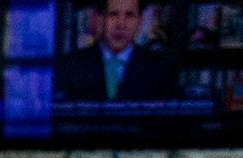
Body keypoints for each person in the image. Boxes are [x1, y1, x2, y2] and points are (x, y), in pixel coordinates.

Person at [54, 0, 183, 103]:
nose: (121, 24)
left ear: (140, 21)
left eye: (129, 15)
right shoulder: (69, 65)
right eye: (113, 14)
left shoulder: (162, 68)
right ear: (99, 19)